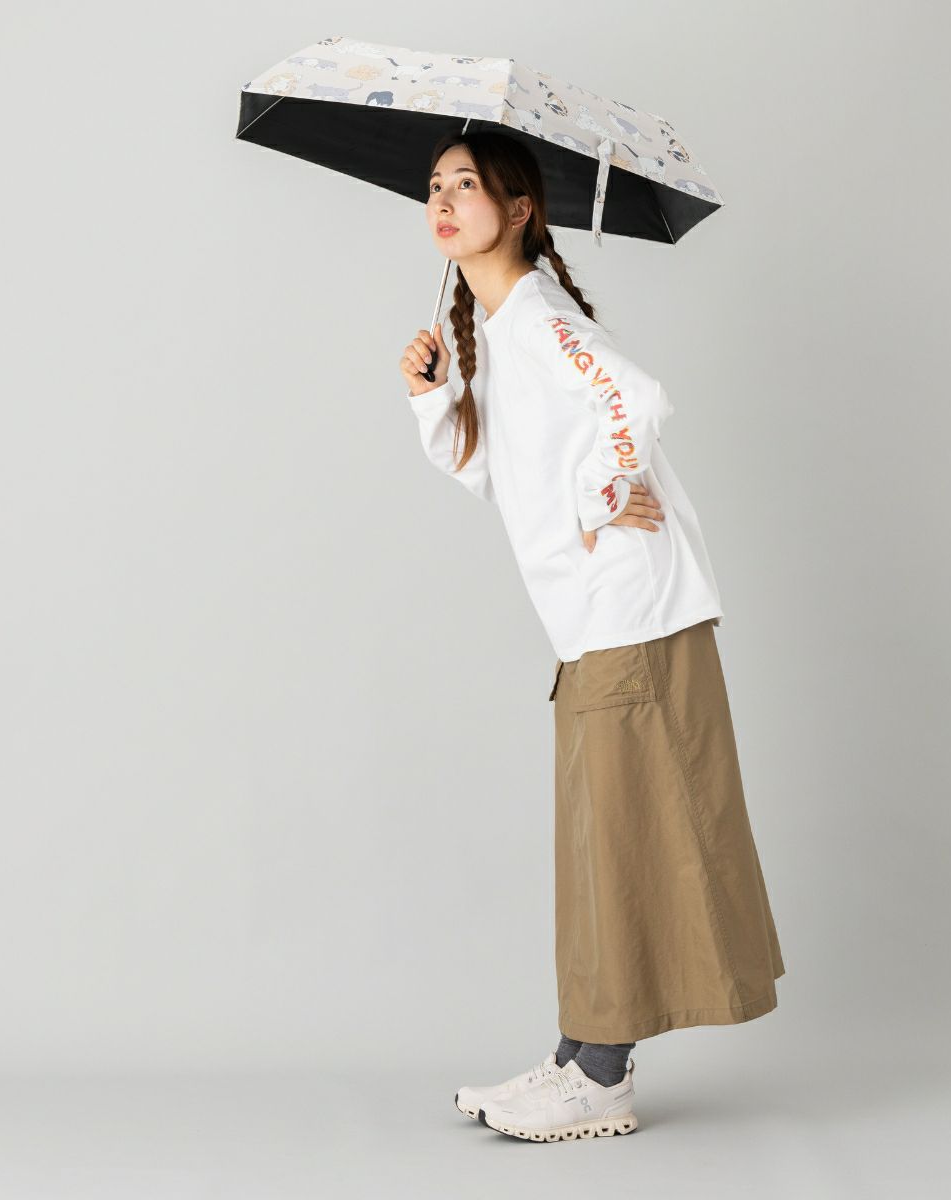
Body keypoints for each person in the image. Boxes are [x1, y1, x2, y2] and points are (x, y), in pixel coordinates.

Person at [399, 131, 784, 1143]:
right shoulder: (501, 329)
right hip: (596, 624)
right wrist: (436, 397)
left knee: (619, 837)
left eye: (466, 185)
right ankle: (581, 1056)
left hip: (631, 614)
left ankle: (600, 1074)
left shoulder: (536, 315)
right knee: (598, 833)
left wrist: (605, 496)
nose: (443, 200)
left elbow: (637, 399)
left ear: (520, 209)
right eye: (434, 186)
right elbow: (497, 475)